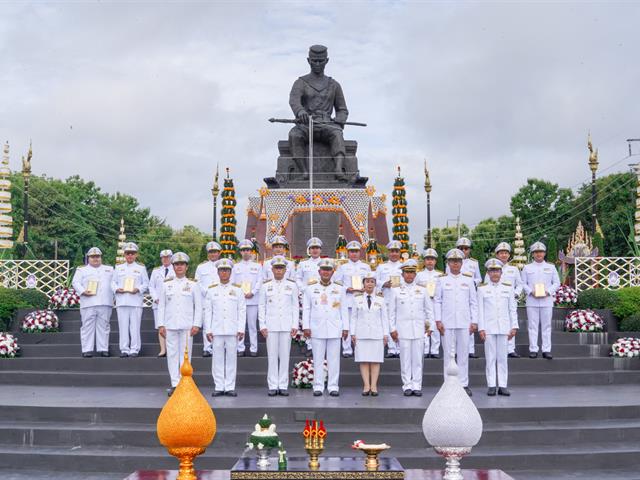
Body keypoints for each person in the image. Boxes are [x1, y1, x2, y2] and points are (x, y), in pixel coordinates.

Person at [288, 44, 349, 180]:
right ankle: (304, 172)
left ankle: (338, 170)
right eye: (314, 61)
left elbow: (342, 109)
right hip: (306, 124)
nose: (317, 64)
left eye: (320, 61)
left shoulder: (334, 85)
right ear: (308, 61)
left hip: (327, 123)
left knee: (337, 134)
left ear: (326, 61)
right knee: (294, 135)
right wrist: (300, 112)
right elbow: (294, 101)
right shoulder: (301, 83)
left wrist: (340, 119)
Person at [156, 252, 202, 397]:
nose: (179, 267)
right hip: (170, 325)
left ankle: (185, 383)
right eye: (176, 264)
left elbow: (199, 306)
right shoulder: (166, 285)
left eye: (182, 264)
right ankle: (175, 383)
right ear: (173, 267)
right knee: (172, 355)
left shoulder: (193, 285)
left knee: (186, 356)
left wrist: (196, 324)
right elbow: (161, 306)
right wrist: (161, 325)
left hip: (187, 325)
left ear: (187, 267)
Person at [435, 248, 478, 396]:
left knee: (463, 353)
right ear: (448, 263)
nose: (455, 264)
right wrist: (438, 320)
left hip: (464, 322)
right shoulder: (441, 280)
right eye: (453, 261)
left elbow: (473, 302)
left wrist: (474, 321)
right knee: (448, 353)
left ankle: (463, 383)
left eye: (458, 261)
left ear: (461, 263)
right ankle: (448, 383)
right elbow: (437, 301)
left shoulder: (468, 279)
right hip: (446, 322)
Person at [302, 258, 349, 397]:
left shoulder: (339, 288)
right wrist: (306, 326)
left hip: (335, 327)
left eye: (329, 270)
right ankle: (318, 386)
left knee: (334, 359)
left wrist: (345, 327)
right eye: (324, 269)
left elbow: (344, 309)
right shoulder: (310, 288)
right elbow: (306, 308)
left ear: (333, 272)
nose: (326, 272)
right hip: (317, 327)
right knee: (317, 358)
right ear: (319, 271)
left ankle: (333, 386)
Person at [388, 259, 433, 397]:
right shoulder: (395, 290)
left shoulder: (422, 290)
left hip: (419, 329)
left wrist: (430, 326)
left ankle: (417, 385)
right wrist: (392, 329)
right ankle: (407, 385)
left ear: (415, 274)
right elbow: (391, 312)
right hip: (403, 329)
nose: (409, 275)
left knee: (418, 359)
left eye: (412, 272)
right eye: (407, 272)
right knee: (405, 359)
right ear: (402, 274)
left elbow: (429, 310)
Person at [204, 258, 246, 397]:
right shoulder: (211, 290)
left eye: (227, 270)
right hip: (216, 330)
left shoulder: (238, 290)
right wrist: (208, 330)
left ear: (230, 272)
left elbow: (242, 310)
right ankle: (219, 386)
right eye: (222, 270)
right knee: (217, 360)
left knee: (231, 359)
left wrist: (241, 328)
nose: (224, 273)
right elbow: (208, 311)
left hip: (232, 329)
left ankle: (229, 386)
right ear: (217, 272)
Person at [258, 256, 299, 396]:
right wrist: (262, 325)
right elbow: (261, 306)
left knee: (285, 356)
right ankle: (272, 384)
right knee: (272, 356)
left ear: (285, 270)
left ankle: (283, 385)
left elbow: (295, 307)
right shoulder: (265, 286)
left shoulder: (292, 285)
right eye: (276, 268)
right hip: (271, 325)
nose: (279, 270)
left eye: (281, 268)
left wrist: (295, 324)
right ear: (272, 269)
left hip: (287, 325)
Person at [478, 259, 518, 397]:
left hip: (504, 327)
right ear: (488, 273)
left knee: (502, 358)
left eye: (497, 271)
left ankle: (502, 385)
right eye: (492, 271)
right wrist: (481, 328)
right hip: (489, 327)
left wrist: (514, 326)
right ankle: (491, 385)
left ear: (501, 272)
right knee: (490, 358)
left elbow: (512, 308)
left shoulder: (508, 287)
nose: (495, 273)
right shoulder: (482, 289)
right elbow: (480, 310)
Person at [350, 272, 389, 396]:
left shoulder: (381, 299)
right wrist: (353, 333)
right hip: (361, 334)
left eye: (372, 281)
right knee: (364, 360)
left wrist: (385, 334)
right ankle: (366, 385)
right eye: (367, 281)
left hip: (377, 334)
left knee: (375, 360)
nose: (369, 284)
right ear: (363, 284)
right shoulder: (357, 298)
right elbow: (353, 317)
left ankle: (374, 385)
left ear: (375, 284)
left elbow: (384, 318)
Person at [71, 247, 114, 358]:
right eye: (93, 257)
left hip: (105, 302)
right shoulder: (82, 270)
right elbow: (75, 283)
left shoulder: (109, 269)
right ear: (88, 258)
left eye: (97, 257)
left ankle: (103, 349)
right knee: (87, 326)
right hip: (88, 302)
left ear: (101, 257)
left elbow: (114, 283)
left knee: (104, 326)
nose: (95, 259)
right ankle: (87, 349)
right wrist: (83, 291)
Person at [484, 242, 524, 358]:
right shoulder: (491, 268)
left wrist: (515, 294)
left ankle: (510, 349)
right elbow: (486, 285)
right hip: (495, 301)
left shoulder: (514, 269)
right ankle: (498, 348)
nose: (504, 255)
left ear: (509, 255)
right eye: (501, 253)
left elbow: (520, 285)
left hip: (509, 300)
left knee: (511, 323)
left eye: (506, 253)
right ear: (497, 255)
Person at [521, 242, 560, 360]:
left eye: (541, 252)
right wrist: (530, 291)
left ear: (544, 253)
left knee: (547, 326)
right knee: (532, 326)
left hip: (546, 300)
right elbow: (522, 283)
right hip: (532, 300)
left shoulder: (551, 267)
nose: (539, 254)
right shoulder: (527, 268)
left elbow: (557, 283)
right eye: (536, 252)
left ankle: (546, 350)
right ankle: (533, 349)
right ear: (533, 254)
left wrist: (548, 291)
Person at [111, 242, 149, 358]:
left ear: (136, 255)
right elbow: (113, 282)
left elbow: (146, 283)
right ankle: (124, 349)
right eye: (128, 254)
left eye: (132, 254)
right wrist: (117, 289)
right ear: (124, 255)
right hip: (122, 300)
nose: (130, 256)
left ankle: (135, 349)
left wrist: (138, 289)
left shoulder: (141, 268)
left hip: (135, 301)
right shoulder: (118, 267)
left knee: (135, 326)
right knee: (123, 326)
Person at [334, 240, 371, 358]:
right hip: (348, 299)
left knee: (360, 324)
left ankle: (360, 348)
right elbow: (337, 282)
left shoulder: (366, 267)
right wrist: (346, 288)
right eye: (351, 252)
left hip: (361, 299)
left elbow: (371, 281)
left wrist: (366, 287)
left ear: (360, 253)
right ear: (348, 253)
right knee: (347, 324)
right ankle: (347, 349)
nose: (354, 254)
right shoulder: (343, 267)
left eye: (356, 251)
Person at [448, 237, 481, 359]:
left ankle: (470, 349)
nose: (463, 250)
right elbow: (448, 276)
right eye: (461, 248)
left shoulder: (474, 263)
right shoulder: (452, 261)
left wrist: (472, 283)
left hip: (468, 293)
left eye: (466, 248)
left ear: (469, 250)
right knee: (455, 322)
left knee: (468, 322)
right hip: (456, 294)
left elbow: (479, 278)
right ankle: (456, 350)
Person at [233, 239, 263, 357]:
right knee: (239, 325)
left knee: (252, 325)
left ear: (251, 252)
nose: (246, 252)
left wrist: (253, 292)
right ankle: (240, 347)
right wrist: (239, 294)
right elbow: (233, 283)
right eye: (244, 250)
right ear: (240, 252)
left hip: (253, 300)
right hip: (239, 300)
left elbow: (260, 281)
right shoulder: (235, 267)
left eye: (248, 250)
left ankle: (253, 348)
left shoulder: (257, 266)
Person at [295, 237, 324, 357]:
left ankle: (320, 345)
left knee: (320, 320)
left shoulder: (325, 263)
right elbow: (298, 278)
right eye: (312, 248)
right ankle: (309, 345)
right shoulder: (303, 264)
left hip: (321, 296)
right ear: (309, 250)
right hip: (307, 296)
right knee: (306, 320)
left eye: (317, 248)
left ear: (320, 250)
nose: (315, 250)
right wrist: (303, 289)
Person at [375, 240, 403, 359]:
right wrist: (383, 283)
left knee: (399, 323)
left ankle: (400, 348)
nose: (394, 254)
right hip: (386, 298)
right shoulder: (382, 267)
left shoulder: (404, 266)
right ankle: (391, 348)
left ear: (399, 253)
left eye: (396, 251)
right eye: (392, 251)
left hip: (401, 299)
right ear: (388, 253)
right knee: (388, 323)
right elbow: (374, 280)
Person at [195, 241, 222, 357]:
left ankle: (218, 347)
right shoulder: (201, 267)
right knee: (207, 324)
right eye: (210, 252)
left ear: (219, 253)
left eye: (215, 252)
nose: (213, 254)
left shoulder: (224, 265)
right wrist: (206, 291)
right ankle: (207, 347)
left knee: (219, 323)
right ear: (207, 254)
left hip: (220, 298)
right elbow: (197, 282)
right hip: (205, 298)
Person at [416, 248, 442, 359]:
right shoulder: (419, 275)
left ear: (435, 261)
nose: (430, 261)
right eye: (427, 259)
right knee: (425, 325)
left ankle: (435, 350)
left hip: (436, 302)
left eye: (432, 259)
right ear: (424, 261)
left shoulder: (440, 275)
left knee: (435, 325)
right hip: (423, 303)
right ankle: (425, 349)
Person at [148, 249, 174, 357]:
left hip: (172, 303)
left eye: (167, 257)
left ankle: (171, 349)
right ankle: (163, 349)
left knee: (171, 326)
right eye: (163, 257)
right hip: (158, 303)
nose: (165, 259)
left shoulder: (175, 269)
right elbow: (151, 286)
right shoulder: (156, 271)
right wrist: (155, 298)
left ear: (171, 258)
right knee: (161, 326)